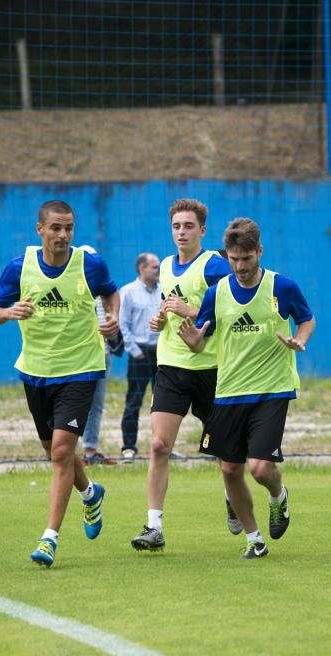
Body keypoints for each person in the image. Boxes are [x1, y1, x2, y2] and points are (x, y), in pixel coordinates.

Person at [0, 200, 120, 568]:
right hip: (36, 371)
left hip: (80, 369)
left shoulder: (89, 264)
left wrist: (113, 318)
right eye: (56, 228)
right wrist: (11, 312)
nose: (63, 235)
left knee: (62, 452)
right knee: (53, 451)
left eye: (69, 228)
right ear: (40, 229)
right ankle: (90, 494)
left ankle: (49, 539)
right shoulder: (19, 268)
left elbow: (111, 291)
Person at [178, 217, 315, 559]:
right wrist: (194, 342)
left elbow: (307, 319)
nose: (239, 267)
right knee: (228, 469)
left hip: (272, 389)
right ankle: (254, 539)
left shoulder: (282, 288)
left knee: (260, 468)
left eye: (246, 259)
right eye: (233, 259)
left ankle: (278, 496)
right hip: (228, 392)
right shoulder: (216, 293)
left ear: (259, 252)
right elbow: (201, 338)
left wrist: (299, 340)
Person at [130, 198, 236, 552]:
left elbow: (232, 310)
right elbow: (168, 306)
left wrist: (189, 309)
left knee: (225, 454)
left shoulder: (215, 266)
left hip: (211, 367)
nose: (181, 232)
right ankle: (153, 526)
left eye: (188, 226)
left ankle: (233, 496)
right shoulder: (165, 267)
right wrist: (161, 318)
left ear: (202, 230)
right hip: (173, 365)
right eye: (176, 226)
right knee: (159, 445)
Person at [78, 245, 124, 466]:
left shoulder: (103, 291)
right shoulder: (74, 289)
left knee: (96, 404)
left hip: (102, 353)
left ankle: (89, 450)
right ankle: (64, 449)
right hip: (78, 356)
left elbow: (112, 318)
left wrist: (112, 321)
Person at [118, 252, 162, 460]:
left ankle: (161, 446)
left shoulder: (165, 290)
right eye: (154, 266)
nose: (158, 270)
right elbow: (122, 325)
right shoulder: (128, 292)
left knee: (162, 403)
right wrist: (135, 352)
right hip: (140, 354)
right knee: (134, 401)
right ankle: (129, 447)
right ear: (141, 268)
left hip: (162, 353)